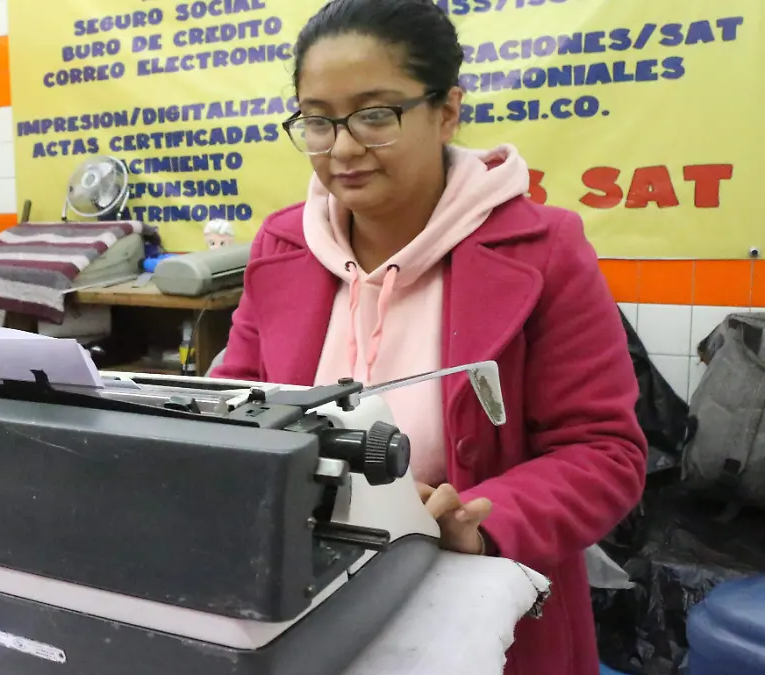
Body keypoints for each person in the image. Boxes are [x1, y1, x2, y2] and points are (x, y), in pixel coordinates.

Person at [208, 1, 647, 673]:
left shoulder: (542, 249)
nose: (343, 148)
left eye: (375, 115)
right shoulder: (282, 245)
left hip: (475, 617)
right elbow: (231, 406)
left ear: (446, 111)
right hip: (301, 600)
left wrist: (482, 519)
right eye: (318, 121)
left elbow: (604, 451)